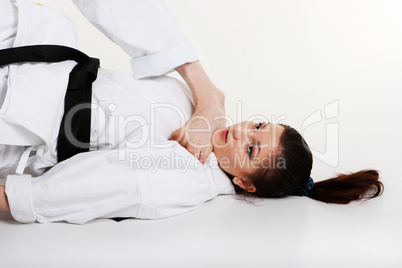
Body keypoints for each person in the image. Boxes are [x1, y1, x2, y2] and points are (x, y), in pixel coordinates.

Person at [0, 0, 383, 224]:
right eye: (259, 126)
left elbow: (117, 183)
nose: (241, 132)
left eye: (251, 150)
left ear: (245, 183)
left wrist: (18, 198)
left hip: (18, 119)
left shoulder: (189, 174)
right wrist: (205, 94)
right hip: (32, 50)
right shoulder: (204, 113)